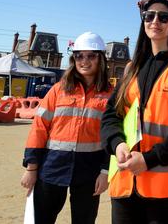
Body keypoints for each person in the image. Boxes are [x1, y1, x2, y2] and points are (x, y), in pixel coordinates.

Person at [100, 0, 168, 224]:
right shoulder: (131, 68)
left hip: (167, 189)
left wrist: (149, 159)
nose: (155, 21)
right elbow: (110, 117)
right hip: (126, 183)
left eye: (163, 17)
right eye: (149, 16)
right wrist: (117, 145)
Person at [21, 31, 112, 224]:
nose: (84, 61)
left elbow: (113, 137)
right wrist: (31, 167)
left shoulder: (111, 95)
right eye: (79, 55)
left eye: (91, 56)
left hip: (90, 171)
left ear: (101, 59)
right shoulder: (58, 90)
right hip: (52, 167)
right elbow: (39, 128)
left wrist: (105, 172)